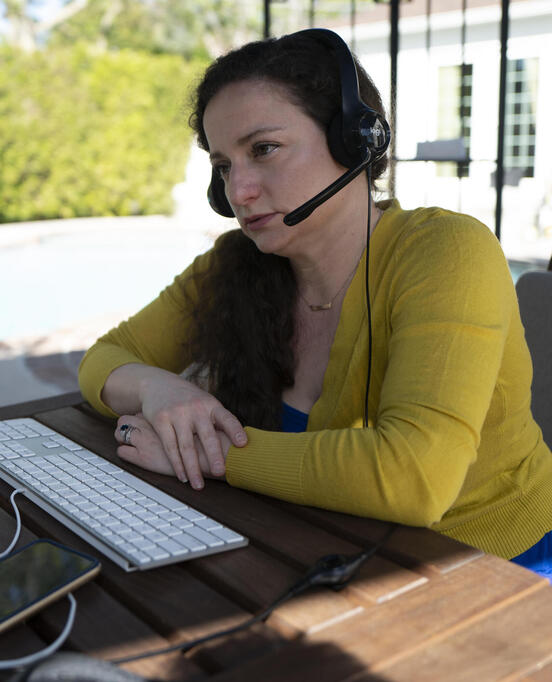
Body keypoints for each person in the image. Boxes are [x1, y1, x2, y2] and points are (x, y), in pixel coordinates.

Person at [77, 28, 552, 577]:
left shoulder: (447, 251)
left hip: (491, 566)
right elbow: (105, 358)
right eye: (224, 165)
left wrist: (210, 452)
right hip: (317, 547)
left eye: (264, 149)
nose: (238, 191)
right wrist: (158, 387)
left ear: (354, 141)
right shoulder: (237, 262)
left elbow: (413, 479)